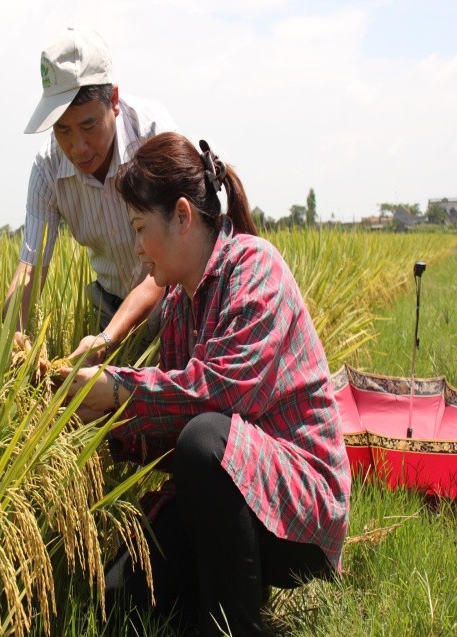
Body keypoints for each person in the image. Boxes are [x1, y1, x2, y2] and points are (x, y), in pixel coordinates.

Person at [59, 132, 352, 636]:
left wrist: (117, 389)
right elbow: (169, 422)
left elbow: (219, 392)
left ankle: (234, 626)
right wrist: (97, 420)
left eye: (138, 227)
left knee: (204, 441)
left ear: (181, 216)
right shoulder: (179, 304)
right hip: (237, 499)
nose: (135, 248)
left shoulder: (257, 269)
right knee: (128, 595)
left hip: (302, 506)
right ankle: (215, 596)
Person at [4, 27, 177, 362]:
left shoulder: (154, 136)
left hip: (174, 302)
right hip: (109, 302)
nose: (77, 147)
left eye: (88, 126)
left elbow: (166, 262)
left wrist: (108, 338)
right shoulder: (48, 169)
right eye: (62, 130)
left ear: (112, 100)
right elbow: (31, 267)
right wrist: (14, 333)